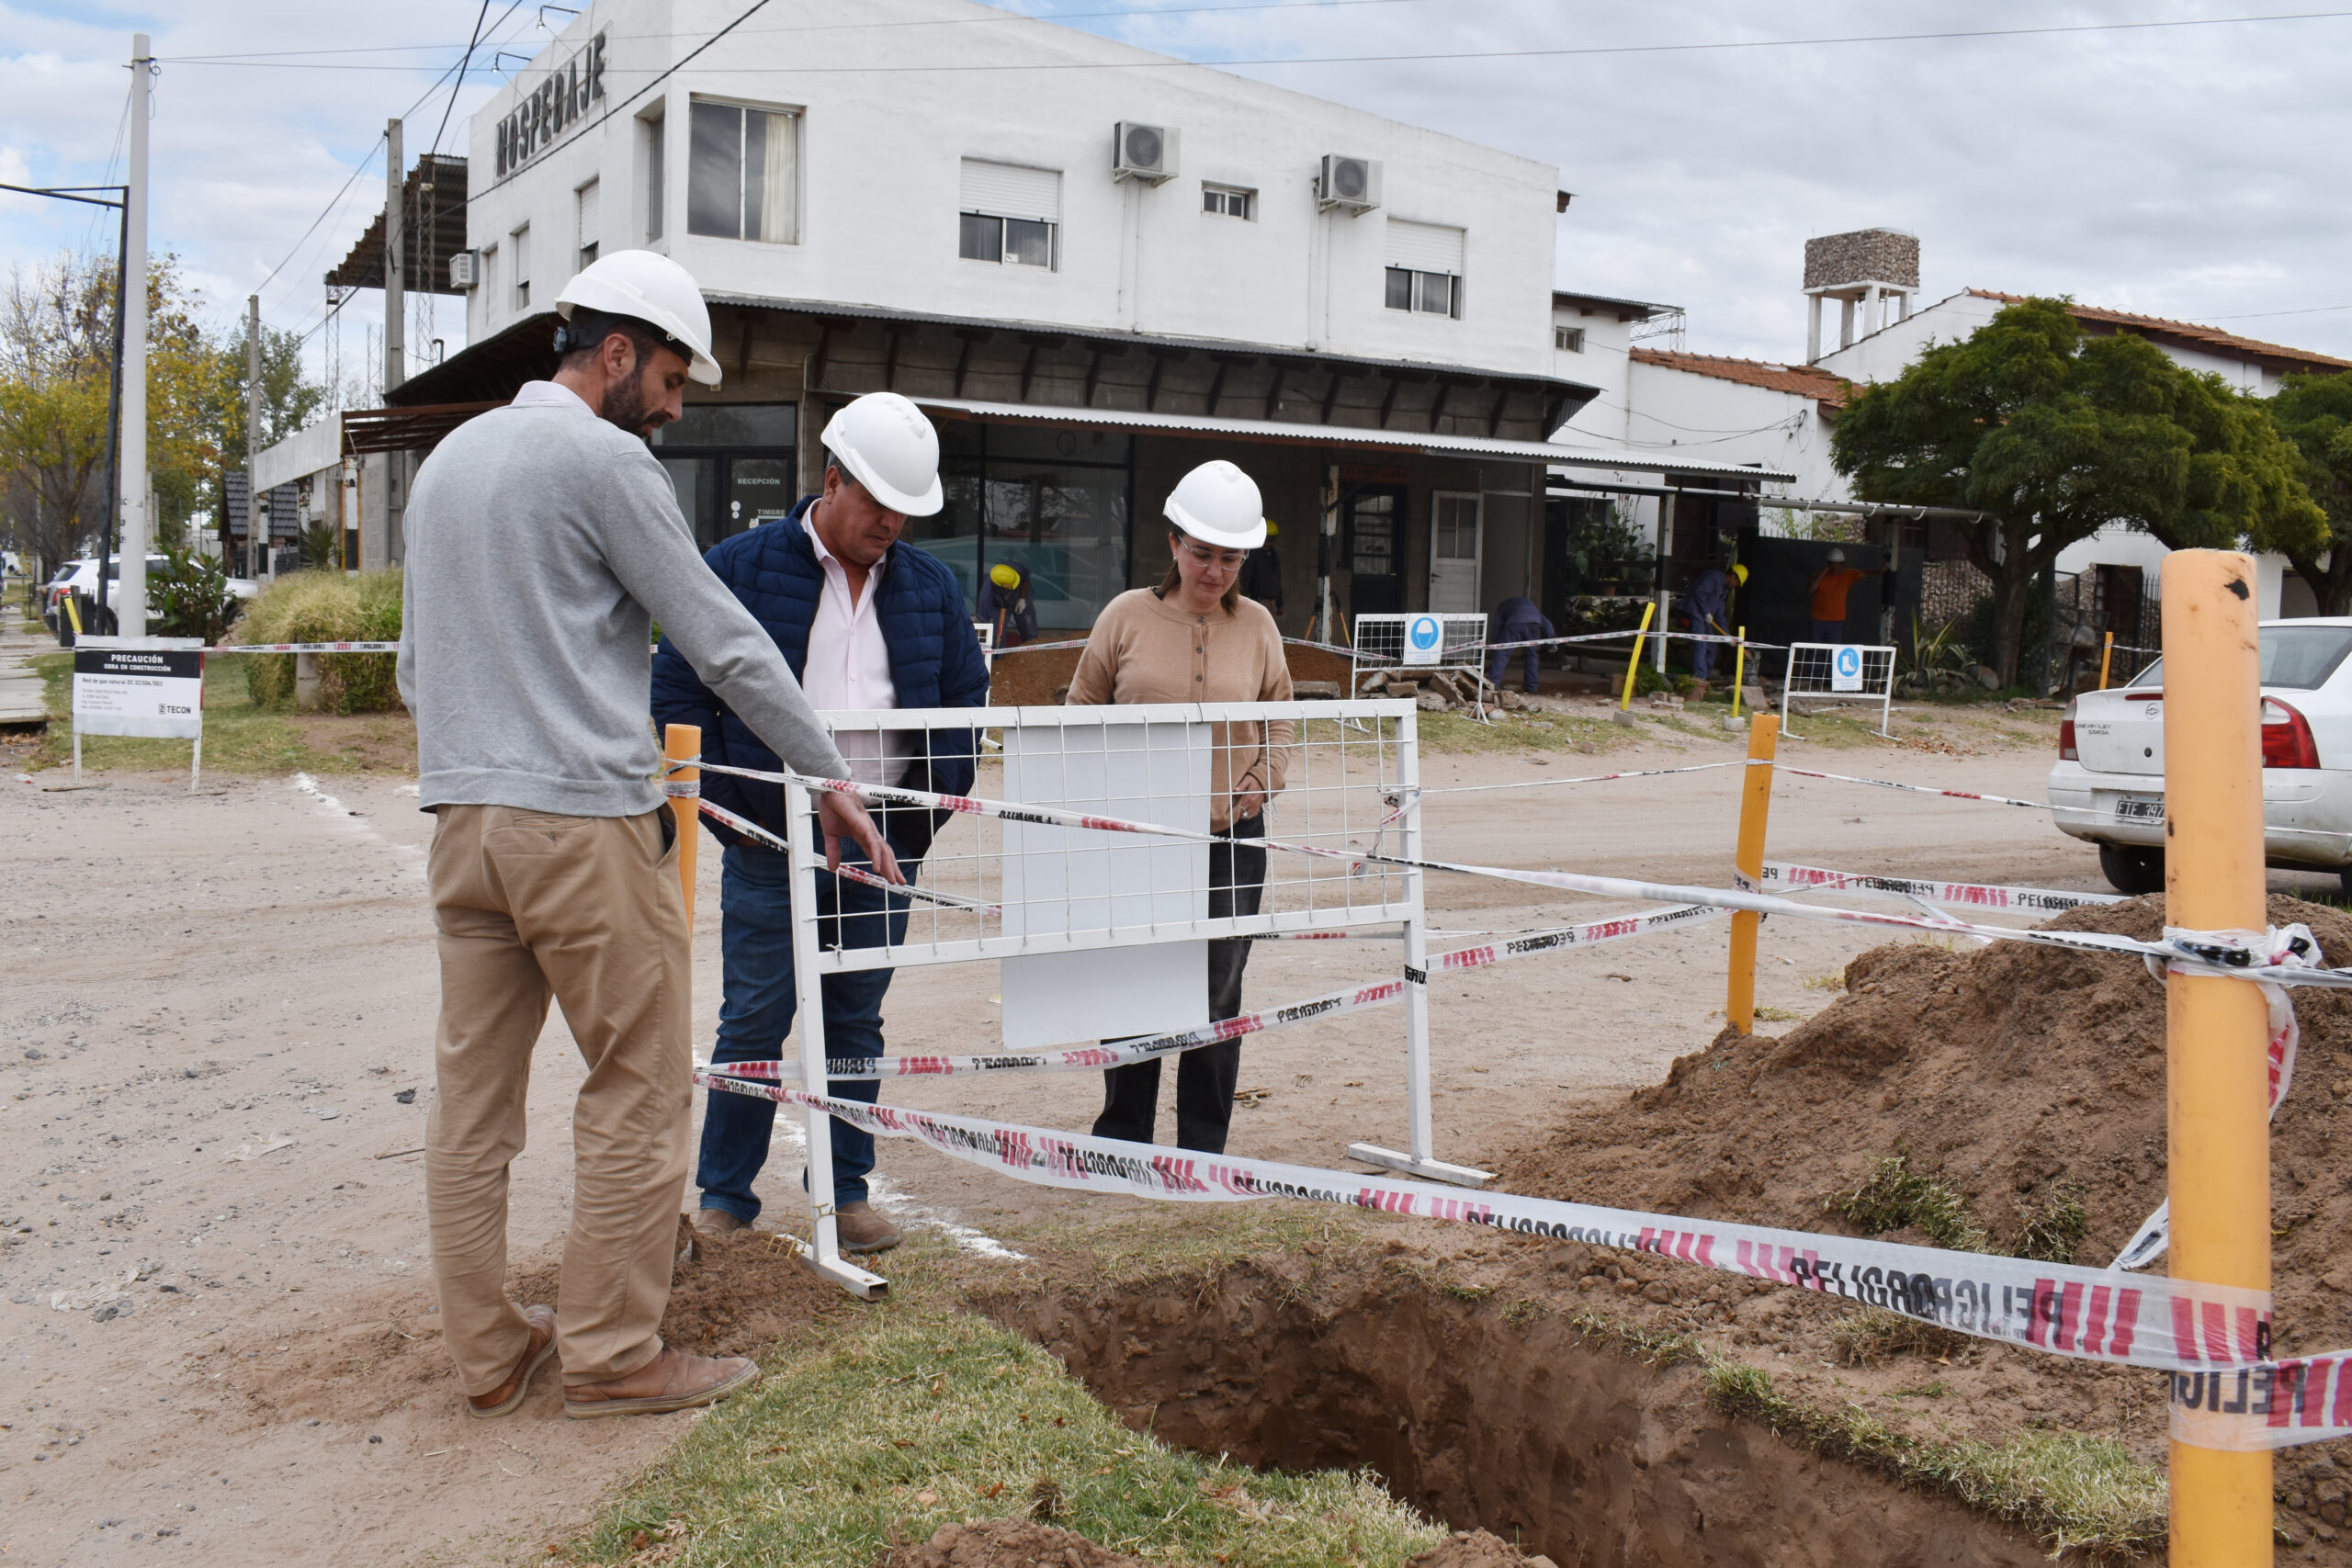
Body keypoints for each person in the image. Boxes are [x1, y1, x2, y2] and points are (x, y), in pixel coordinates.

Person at [397, 250, 899, 1422]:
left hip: (461, 826)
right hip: (578, 826)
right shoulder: (603, 460)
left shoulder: (448, 464)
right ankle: (615, 1355)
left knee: (473, 1102)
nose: (676, 405)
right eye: (672, 375)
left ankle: (488, 1353)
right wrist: (824, 771)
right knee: (636, 1089)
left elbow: (419, 669)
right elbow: (721, 639)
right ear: (615, 352)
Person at [652, 392, 989, 1254]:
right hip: (772, 842)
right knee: (754, 1017)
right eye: (877, 504)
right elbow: (682, 693)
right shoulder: (736, 565)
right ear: (830, 480)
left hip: (880, 846)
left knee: (856, 1019)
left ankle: (845, 1191)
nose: (891, 524)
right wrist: (743, 819)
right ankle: (725, 1196)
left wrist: (912, 826)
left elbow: (962, 707)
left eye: (906, 511)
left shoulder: (931, 588)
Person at [1068, 459, 1293, 1153]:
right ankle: (1124, 1141)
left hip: (1230, 837)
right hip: (1141, 837)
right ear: (1173, 544)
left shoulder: (1258, 626)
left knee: (1219, 989)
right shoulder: (1124, 619)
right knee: (1134, 986)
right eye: (1202, 554)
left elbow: (1279, 713)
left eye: (1230, 558)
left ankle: (1202, 1148)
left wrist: (1263, 777)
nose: (1215, 570)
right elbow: (1081, 710)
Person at [1806, 547, 1890, 643]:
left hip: (1836, 621)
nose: (1835, 567)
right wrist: (1822, 574)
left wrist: (1878, 572)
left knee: (1834, 649)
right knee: (1815, 649)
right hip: (1817, 620)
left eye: (1837, 564)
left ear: (1842, 564)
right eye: (1832, 564)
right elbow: (1811, 589)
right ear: (1828, 564)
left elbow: (1864, 573)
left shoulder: (1847, 575)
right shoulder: (1818, 577)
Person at [1682, 562, 1739, 682]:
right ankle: (1700, 678)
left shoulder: (1725, 591)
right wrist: (1705, 611)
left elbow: (1719, 615)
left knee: (1712, 647)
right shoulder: (1714, 577)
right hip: (1695, 612)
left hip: (1705, 617)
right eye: (1737, 583)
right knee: (1701, 645)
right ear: (1733, 576)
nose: (1736, 586)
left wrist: (1727, 635)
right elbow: (1699, 592)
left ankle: (1705, 677)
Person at [1487, 594, 1555, 695]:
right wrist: (1552, 641)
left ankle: (1492, 684)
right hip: (1534, 624)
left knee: (1502, 653)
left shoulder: (1502, 607)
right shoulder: (1530, 606)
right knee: (1531, 655)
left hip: (1515, 623)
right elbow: (1547, 623)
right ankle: (1531, 687)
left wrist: (1494, 647)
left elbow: (1497, 627)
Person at [976, 559, 1038, 649]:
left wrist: (1022, 598)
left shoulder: (1017, 569)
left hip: (1020, 596)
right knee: (997, 635)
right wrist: (976, 644)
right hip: (999, 604)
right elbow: (982, 620)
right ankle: (998, 658)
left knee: (1030, 630)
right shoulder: (987, 592)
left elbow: (1025, 579)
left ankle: (1033, 655)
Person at [1238, 519, 1284, 618]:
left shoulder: (1274, 555)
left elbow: (1277, 579)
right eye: (1266, 539)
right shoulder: (1254, 554)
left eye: (1271, 540)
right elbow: (1246, 578)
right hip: (1257, 600)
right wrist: (1241, 598)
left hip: (1271, 601)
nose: (1268, 543)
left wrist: (1279, 603)